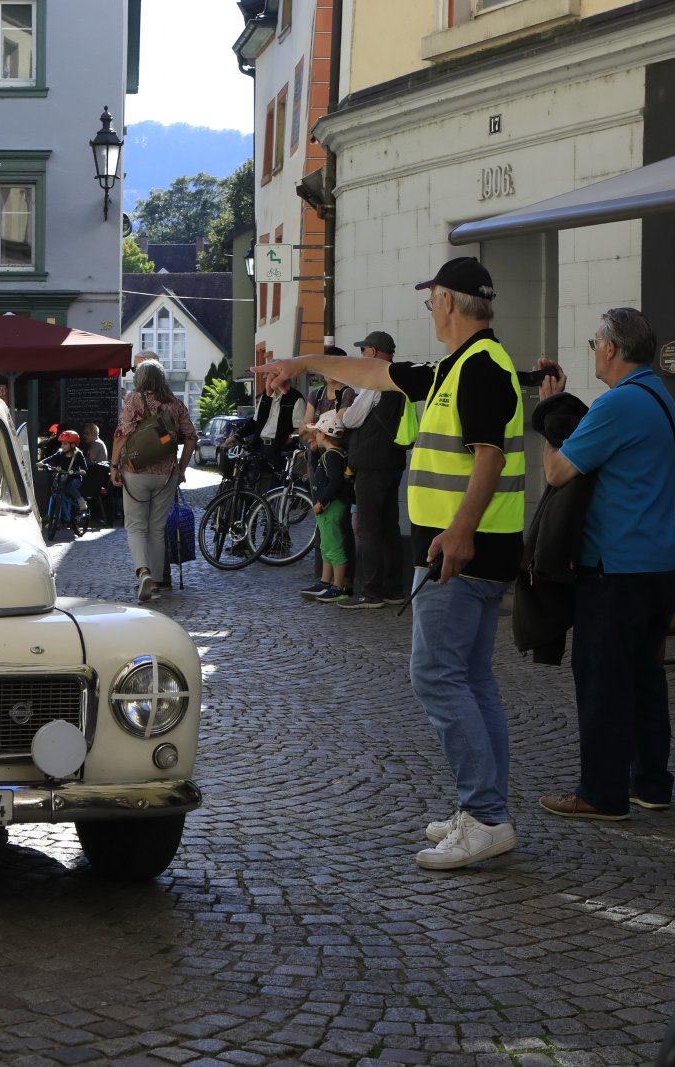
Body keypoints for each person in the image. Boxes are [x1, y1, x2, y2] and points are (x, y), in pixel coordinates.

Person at [253, 256, 525, 871]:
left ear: (448, 301)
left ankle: (485, 816)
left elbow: (488, 457)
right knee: (471, 679)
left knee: (437, 676)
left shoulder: (480, 367)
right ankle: (485, 809)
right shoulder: (458, 365)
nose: (429, 309)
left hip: (457, 553)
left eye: (431, 299)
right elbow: (374, 372)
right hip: (467, 549)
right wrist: (301, 363)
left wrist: (459, 533)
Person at [537, 308, 675, 821]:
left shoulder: (617, 403)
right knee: (645, 677)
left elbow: (558, 471)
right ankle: (651, 784)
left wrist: (548, 414)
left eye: (595, 342)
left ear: (612, 348)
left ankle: (601, 793)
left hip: (614, 566)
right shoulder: (660, 396)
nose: (594, 351)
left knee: (602, 679)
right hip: (659, 563)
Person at [110, 358, 196, 603]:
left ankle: (143, 572)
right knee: (157, 528)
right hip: (166, 475)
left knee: (136, 526)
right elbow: (191, 437)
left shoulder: (134, 400)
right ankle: (157, 581)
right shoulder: (175, 404)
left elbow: (121, 435)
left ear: (140, 379)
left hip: (136, 471)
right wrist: (181, 468)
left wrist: (114, 466)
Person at [337, 330, 407, 610]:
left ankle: (371, 592)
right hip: (393, 461)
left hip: (370, 463)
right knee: (390, 527)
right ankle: (394, 589)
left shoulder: (375, 380)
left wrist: (342, 414)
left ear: (375, 352)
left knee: (368, 529)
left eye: (363, 350)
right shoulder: (400, 379)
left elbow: (352, 419)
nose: (361, 355)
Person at [298, 410, 352, 603]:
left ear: (324, 435)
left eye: (317, 433)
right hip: (329, 506)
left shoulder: (332, 456)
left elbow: (335, 482)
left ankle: (339, 586)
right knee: (326, 545)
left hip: (330, 506)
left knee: (333, 545)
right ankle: (325, 582)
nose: (314, 436)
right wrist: (313, 453)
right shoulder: (331, 454)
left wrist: (321, 502)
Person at [46, 429, 90, 520]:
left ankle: (81, 502)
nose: (62, 446)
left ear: (73, 445)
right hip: (63, 477)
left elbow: (84, 467)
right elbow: (51, 458)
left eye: (65, 444)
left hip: (74, 477)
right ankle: (49, 515)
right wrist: (42, 463)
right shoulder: (60, 453)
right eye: (62, 443)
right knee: (55, 490)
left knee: (72, 487)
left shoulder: (78, 454)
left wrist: (82, 471)